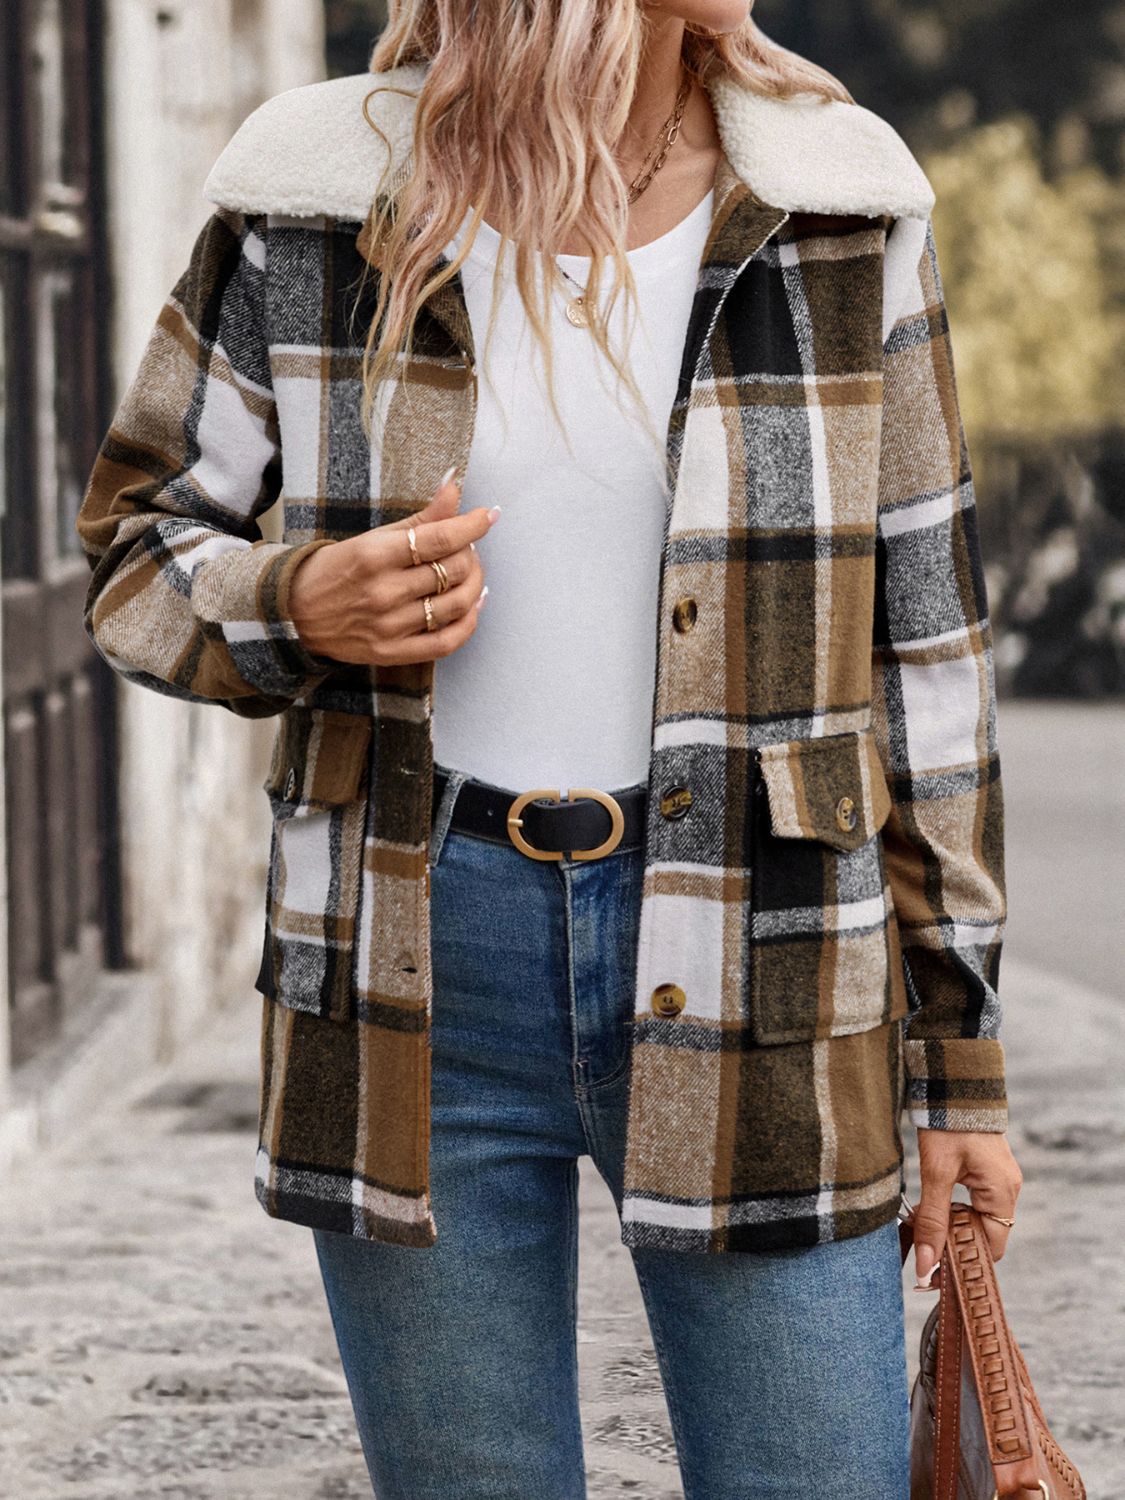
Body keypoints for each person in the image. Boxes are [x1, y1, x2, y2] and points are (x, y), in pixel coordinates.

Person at [75, 1, 1025, 1495]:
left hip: (768, 951)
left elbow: (928, 655)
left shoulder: (839, 203)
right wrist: (296, 601)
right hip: (410, 956)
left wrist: (957, 1059)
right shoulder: (311, 194)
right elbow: (134, 553)